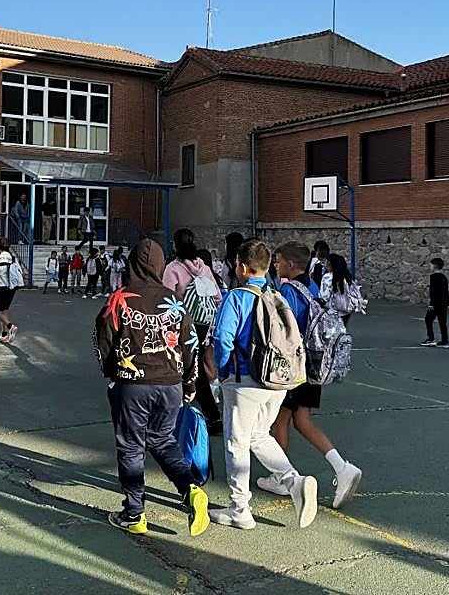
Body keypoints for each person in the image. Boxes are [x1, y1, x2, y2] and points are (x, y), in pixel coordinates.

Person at [93, 238, 210, 536]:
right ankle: (190, 489)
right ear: (159, 266)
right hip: (169, 382)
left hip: (132, 383)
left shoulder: (120, 298)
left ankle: (135, 513)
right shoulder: (175, 302)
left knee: (131, 446)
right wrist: (189, 383)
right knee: (162, 440)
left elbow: (103, 339)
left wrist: (110, 371)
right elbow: (190, 344)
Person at [211, 238, 317, 531]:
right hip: (278, 379)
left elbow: (222, 338)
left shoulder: (237, 297)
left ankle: (239, 507)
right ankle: (293, 481)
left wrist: (222, 370)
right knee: (259, 435)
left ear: (242, 267)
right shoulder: (276, 296)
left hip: (244, 378)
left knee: (236, 442)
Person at [267, 242, 363, 509]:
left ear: (289, 264)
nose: (275, 265)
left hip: (295, 365)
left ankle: (280, 476)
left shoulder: (287, 290)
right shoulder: (311, 287)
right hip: (316, 364)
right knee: (301, 419)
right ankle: (341, 467)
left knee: (280, 421)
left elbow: (286, 328)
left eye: (278, 261)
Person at [161, 229, 223, 435]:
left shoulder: (173, 268)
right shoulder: (203, 267)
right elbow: (216, 296)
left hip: (182, 324)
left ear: (174, 245)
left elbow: (166, 298)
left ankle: (174, 414)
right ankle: (212, 415)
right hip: (203, 323)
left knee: (178, 365)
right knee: (196, 366)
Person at [0, 237, 22, 344]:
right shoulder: (12, 257)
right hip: (12, 287)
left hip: (1, 286)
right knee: (5, 310)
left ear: (0, 247)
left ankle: (10, 326)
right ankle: (4, 334)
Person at [318, 254, 361, 327]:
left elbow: (325, 297)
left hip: (331, 312)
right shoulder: (347, 277)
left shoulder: (327, 277)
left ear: (330, 264)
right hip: (346, 311)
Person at [420, 257, 449, 347]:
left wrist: (431, 304)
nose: (429, 266)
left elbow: (433, 291)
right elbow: (445, 291)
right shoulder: (443, 277)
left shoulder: (433, 277)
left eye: (431, 264)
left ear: (434, 266)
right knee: (442, 322)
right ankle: (445, 341)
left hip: (436, 303)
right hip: (443, 303)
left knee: (428, 319)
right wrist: (448, 304)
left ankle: (431, 338)